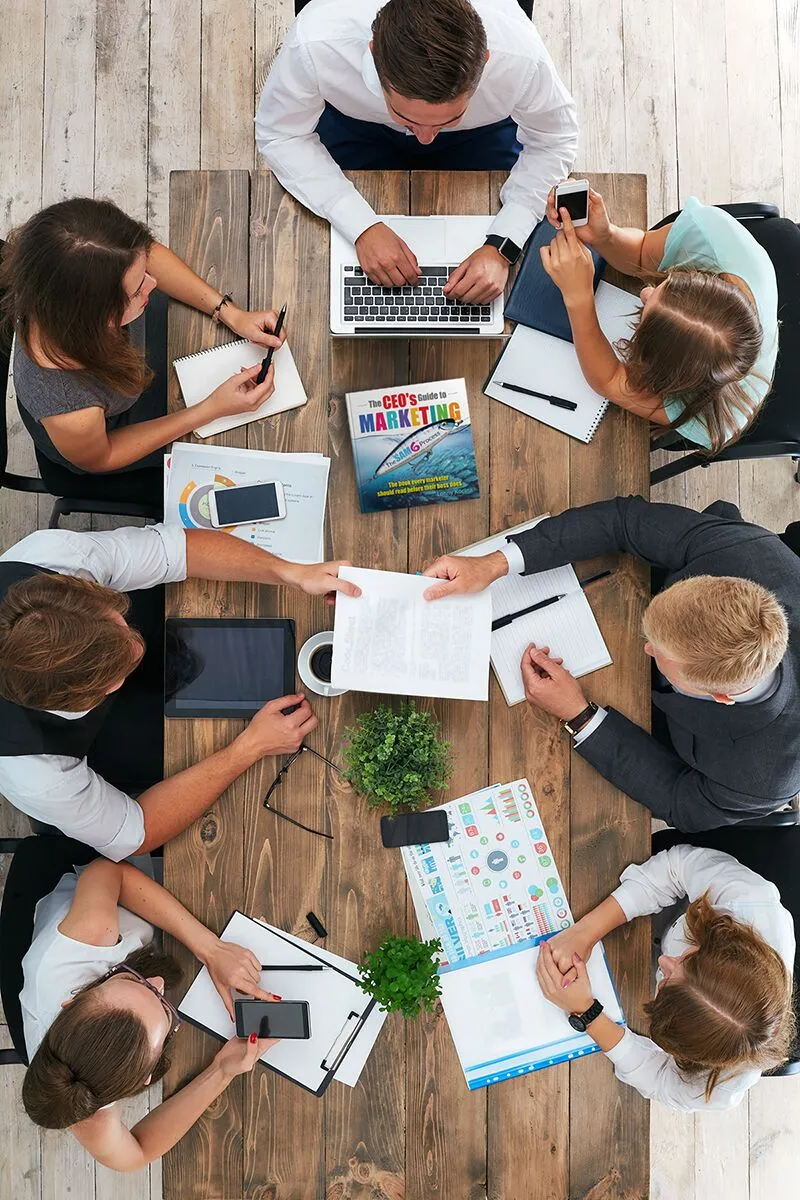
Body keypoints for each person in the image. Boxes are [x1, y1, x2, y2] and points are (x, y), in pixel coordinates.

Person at [422, 495, 800, 830]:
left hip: (658, 734)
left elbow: (680, 802)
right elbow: (624, 520)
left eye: (659, 652)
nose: (646, 648)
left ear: (721, 696)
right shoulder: (751, 555)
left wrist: (580, 716)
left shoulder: (766, 777)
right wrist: (496, 562)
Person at [0, 521, 360, 858]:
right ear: (85, 698)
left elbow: (176, 550)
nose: (137, 646)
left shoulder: (48, 560)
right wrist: (248, 748)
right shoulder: (35, 773)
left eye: (119, 621)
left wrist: (291, 572)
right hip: (116, 741)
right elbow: (136, 832)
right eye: (120, 669)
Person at [255, 0, 577, 302]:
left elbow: (554, 139)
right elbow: (282, 133)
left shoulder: (522, 58)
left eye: (449, 116)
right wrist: (360, 225)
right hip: (357, 126)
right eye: (406, 116)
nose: (425, 140)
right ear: (373, 54)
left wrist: (504, 243)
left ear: (486, 61)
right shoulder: (316, 42)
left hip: (478, 136)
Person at [0, 197, 284, 500]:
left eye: (144, 270)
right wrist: (211, 409)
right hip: (110, 432)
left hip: (130, 375)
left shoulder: (80, 260)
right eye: (137, 290)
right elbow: (102, 456)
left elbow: (146, 254)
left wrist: (229, 313)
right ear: (99, 318)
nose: (153, 283)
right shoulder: (68, 403)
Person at [20, 854, 279, 1170]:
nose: (158, 982)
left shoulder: (89, 936)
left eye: (130, 979)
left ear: (71, 1002)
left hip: (110, 899)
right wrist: (221, 1071)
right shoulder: (84, 1102)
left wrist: (211, 950)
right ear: (145, 1076)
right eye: (165, 1010)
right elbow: (135, 1155)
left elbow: (109, 871)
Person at [535, 844, 795, 1111]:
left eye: (666, 981)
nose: (663, 962)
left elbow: (660, 1081)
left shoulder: (718, 1091)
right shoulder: (747, 899)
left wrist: (588, 1013)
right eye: (688, 958)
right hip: (669, 915)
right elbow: (675, 868)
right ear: (720, 945)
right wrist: (587, 932)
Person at [538, 189, 777, 452]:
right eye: (666, 283)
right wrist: (605, 235)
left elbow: (610, 380)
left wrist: (579, 297)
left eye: (644, 315)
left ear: (669, 378)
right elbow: (642, 251)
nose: (644, 292)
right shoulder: (709, 232)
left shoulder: (713, 418)